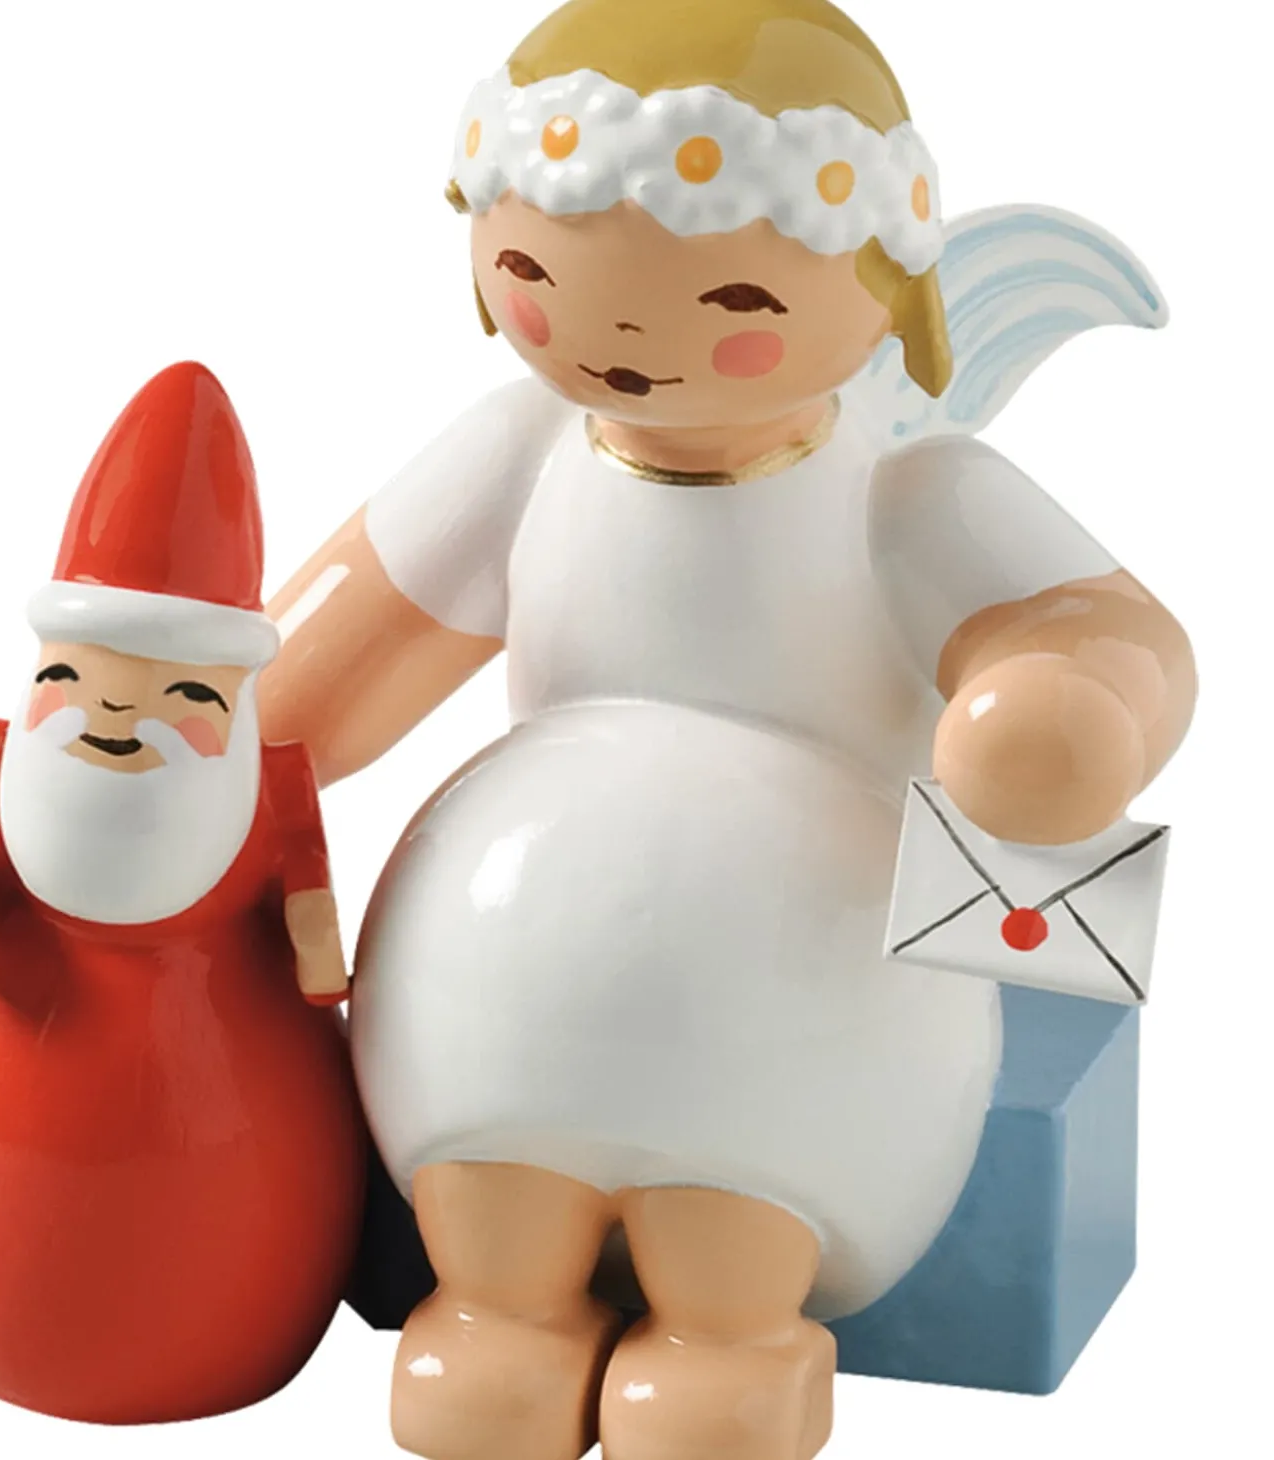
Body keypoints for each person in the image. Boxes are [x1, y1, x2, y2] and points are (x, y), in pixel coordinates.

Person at [258, 4, 1197, 1457]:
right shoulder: (517, 451)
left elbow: (1118, 637)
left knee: (744, 1192)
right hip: (490, 964)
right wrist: (208, 730)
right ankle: (499, 1308)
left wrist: (1061, 711)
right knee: (488, 1163)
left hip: (808, 977)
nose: (631, 342)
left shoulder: (909, 495)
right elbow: (330, 661)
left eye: (734, 303)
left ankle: (739, 1337)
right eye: (534, 277)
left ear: (884, 295)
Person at [0, 361, 364, 1424]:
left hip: (230, 1104)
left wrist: (319, 947)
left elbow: (306, 898)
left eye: (182, 693)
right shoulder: (5, 764)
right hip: (5, 1053)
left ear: (235, 704)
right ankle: (7, 1322)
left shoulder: (268, 789)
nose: (113, 713)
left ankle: (202, 1339)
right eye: (71, 678)